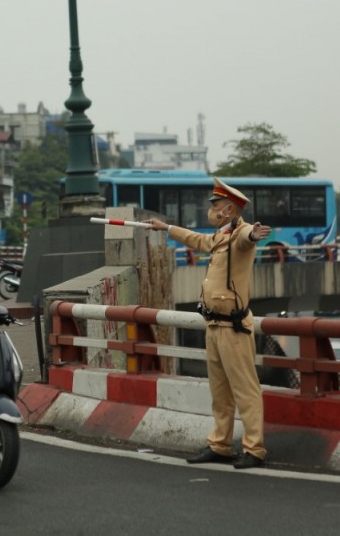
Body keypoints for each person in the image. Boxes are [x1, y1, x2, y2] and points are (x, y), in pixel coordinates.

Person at [144, 176, 271, 470]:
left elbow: (247, 236)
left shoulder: (239, 235)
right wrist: (166, 229)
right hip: (214, 325)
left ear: (229, 210)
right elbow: (196, 239)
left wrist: (254, 234)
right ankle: (220, 445)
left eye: (216, 206)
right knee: (220, 392)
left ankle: (254, 449)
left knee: (245, 390)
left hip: (233, 327)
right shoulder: (219, 236)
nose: (211, 210)